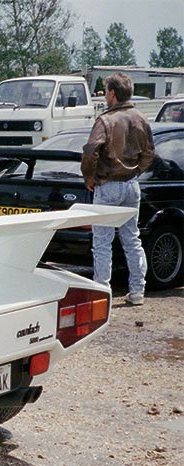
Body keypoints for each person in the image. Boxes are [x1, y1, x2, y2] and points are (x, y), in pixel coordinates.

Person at [81, 72, 154, 306]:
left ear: (112, 93)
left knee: (102, 243)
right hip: (131, 185)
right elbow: (149, 153)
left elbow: (91, 150)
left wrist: (89, 176)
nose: (104, 95)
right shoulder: (141, 118)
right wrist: (136, 170)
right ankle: (138, 291)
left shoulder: (106, 120)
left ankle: (102, 292)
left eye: (106, 91)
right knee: (132, 239)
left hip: (108, 184)